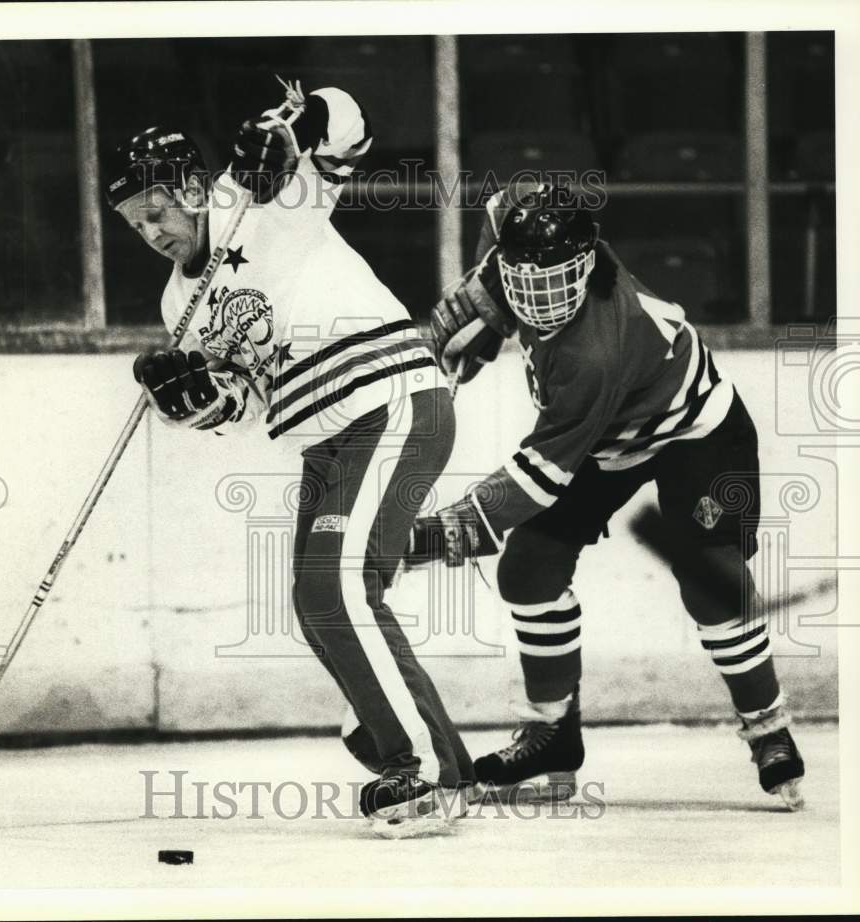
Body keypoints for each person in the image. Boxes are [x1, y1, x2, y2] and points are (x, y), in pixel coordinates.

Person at [104, 81, 474, 836]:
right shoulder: (179, 306)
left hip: (387, 399)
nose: (150, 231)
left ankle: (425, 776)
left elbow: (348, 124)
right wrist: (195, 403)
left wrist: (293, 126)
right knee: (318, 599)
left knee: (336, 584)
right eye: (133, 223)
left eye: (157, 211)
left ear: (190, 188)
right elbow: (242, 401)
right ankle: (420, 751)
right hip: (322, 437)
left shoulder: (256, 197)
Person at [410, 179, 806, 810]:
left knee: (712, 583)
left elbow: (536, 480)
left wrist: (434, 534)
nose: (540, 300)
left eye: (556, 279)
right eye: (521, 278)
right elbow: (506, 200)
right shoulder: (523, 239)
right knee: (528, 570)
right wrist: (482, 279)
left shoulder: (592, 354)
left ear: (589, 263)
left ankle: (768, 727)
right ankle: (552, 734)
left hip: (694, 429)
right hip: (606, 439)